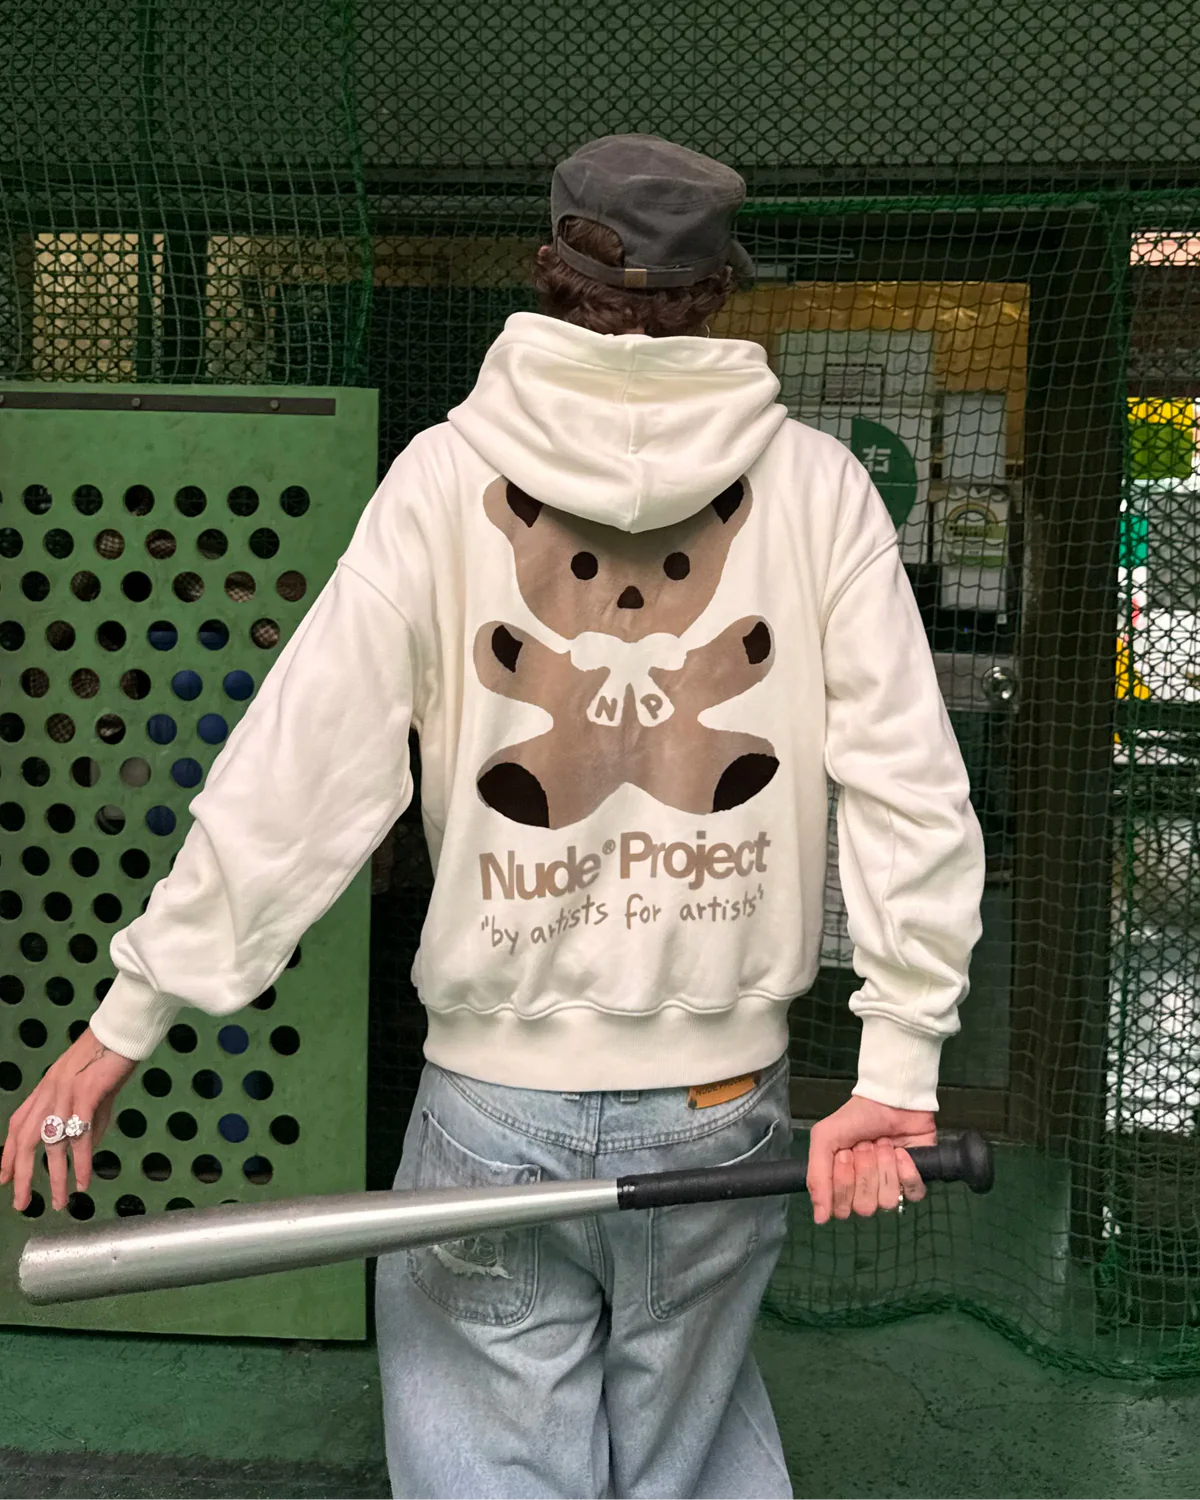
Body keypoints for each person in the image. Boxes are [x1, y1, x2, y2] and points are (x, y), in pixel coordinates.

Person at [2, 134, 985, 1499]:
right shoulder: (820, 489)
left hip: (494, 1111)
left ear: (546, 270)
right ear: (718, 291)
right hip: (720, 1106)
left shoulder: (438, 479)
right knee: (692, 1457)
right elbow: (909, 782)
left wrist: (133, 1014)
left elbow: (301, 767)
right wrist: (900, 1067)